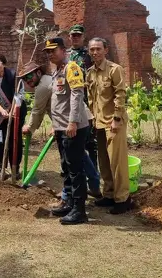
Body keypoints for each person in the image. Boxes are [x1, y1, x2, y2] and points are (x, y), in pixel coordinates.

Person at [20, 61, 102, 197]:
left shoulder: (42, 86)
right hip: (77, 119)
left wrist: (29, 127)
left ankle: (71, 192)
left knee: (71, 157)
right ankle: (92, 185)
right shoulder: (49, 79)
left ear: (38, 72)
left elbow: (37, 111)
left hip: (74, 121)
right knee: (79, 154)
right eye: (24, 79)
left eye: (29, 77)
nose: (27, 81)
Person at [40, 38, 93, 224]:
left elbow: (77, 95)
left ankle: (80, 210)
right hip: (61, 127)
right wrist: (56, 125)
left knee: (75, 168)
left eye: (53, 50)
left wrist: (72, 122)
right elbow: (58, 102)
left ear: (64, 50)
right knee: (66, 167)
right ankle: (69, 203)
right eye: (47, 51)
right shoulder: (57, 72)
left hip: (73, 127)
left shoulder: (72, 68)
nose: (50, 54)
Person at [86, 37, 132, 214]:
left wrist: (117, 118)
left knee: (117, 161)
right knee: (104, 161)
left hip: (113, 122)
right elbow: (91, 98)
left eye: (98, 49)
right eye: (92, 49)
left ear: (106, 50)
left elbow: (120, 94)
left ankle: (123, 199)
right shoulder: (90, 72)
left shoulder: (114, 69)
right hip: (98, 123)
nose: (95, 52)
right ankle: (109, 194)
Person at [0, 53, 27, 179]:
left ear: (3, 64)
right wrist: (2, 110)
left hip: (16, 111)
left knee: (15, 139)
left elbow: (20, 94)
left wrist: (13, 109)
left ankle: (15, 168)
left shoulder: (14, 75)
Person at [66, 23, 100, 181]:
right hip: (70, 100)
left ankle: (93, 170)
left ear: (83, 37)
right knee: (72, 136)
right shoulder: (65, 55)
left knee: (89, 139)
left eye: (78, 35)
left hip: (87, 98)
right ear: (69, 37)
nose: (75, 38)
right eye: (73, 35)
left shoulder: (89, 55)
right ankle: (72, 167)